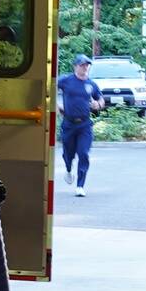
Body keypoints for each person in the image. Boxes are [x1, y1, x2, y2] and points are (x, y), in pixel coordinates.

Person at [57, 54, 103, 196]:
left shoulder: (91, 84)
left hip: (85, 125)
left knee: (83, 154)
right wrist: (56, 106)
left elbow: (100, 99)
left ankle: (80, 186)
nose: (85, 67)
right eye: (82, 65)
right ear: (75, 66)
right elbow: (49, 89)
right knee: (68, 154)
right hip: (69, 124)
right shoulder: (66, 80)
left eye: (87, 65)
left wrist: (98, 104)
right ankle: (69, 168)